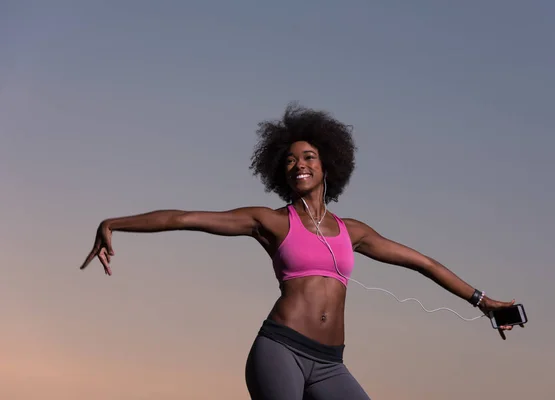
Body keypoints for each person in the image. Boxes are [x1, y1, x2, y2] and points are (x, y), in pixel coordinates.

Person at [80, 103, 521, 399]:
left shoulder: (354, 231)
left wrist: (483, 303)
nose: (299, 165)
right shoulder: (271, 221)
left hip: (331, 363)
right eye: (290, 160)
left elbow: (423, 263)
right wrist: (113, 223)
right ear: (280, 170)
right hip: (280, 350)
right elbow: (183, 218)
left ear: (327, 165)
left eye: (308, 156)